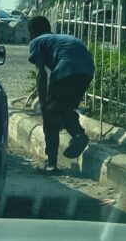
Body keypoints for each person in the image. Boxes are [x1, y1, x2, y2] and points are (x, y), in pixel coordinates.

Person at [27, 15, 94, 173]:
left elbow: (41, 74)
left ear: (32, 31)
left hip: (66, 70)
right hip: (87, 71)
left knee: (51, 112)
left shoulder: (37, 41)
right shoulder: (62, 38)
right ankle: (77, 134)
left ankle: (51, 164)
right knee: (63, 109)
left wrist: (44, 103)